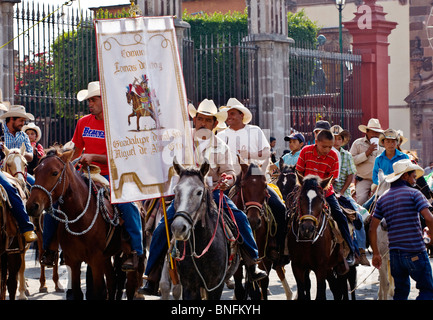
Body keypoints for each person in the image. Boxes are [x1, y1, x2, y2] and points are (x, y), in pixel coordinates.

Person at [139, 99, 266, 295]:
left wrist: (227, 179)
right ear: (194, 120)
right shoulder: (180, 141)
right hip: (185, 195)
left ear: (215, 124)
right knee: (162, 226)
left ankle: (252, 264)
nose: (203, 123)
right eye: (200, 119)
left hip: (212, 194)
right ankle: (152, 275)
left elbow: (230, 172)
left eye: (208, 120)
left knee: (240, 218)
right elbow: (164, 162)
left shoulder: (221, 145)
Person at [41, 81, 143, 270]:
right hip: (83, 174)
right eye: (88, 100)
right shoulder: (83, 122)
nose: (90, 103)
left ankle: (135, 251)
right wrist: (65, 155)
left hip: (110, 174)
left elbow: (121, 156)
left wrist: (94, 156)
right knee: (53, 204)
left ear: (104, 101)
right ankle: (50, 249)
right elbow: (77, 150)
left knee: (127, 204)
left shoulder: (118, 124)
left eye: (94, 99)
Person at [217, 98, 288, 262]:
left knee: (279, 208)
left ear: (241, 115)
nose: (229, 117)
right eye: (227, 114)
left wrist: (248, 155)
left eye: (232, 113)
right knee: (215, 210)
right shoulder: (221, 135)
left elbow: (266, 152)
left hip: (255, 177)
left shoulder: (255, 131)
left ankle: (277, 247)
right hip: (231, 178)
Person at [370, 159, 433, 300]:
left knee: (400, 292)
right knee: (427, 290)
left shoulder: (382, 199)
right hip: (415, 251)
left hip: (395, 256)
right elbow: (429, 218)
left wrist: (375, 253)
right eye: (413, 177)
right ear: (405, 176)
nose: (415, 180)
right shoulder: (414, 194)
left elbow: (372, 228)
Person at [296, 129, 355, 266]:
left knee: (340, 215)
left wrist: (320, 189)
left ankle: (351, 250)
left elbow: (332, 179)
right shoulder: (306, 151)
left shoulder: (334, 156)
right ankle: (283, 250)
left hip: (324, 191)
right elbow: (299, 171)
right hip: (304, 190)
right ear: (316, 142)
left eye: (330, 146)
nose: (327, 149)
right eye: (324, 146)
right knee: (286, 212)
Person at [331, 125, 369, 266]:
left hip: (344, 193)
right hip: (327, 191)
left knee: (357, 217)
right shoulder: (326, 153)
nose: (336, 141)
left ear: (342, 140)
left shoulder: (346, 155)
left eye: (339, 138)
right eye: (334, 138)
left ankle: (361, 250)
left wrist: (340, 192)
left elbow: (350, 175)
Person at [0, 105, 37, 243]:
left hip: (20, 171)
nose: (23, 124)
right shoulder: (2, 130)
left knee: (37, 186)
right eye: (21, 120)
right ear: (11, 119)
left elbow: (31, 156)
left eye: (23, 121)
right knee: (10, 187)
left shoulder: (23, 135)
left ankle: (36, 224)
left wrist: (17, 153)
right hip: (4, 169)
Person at [349, 118, 384, 206]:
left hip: (380, 180)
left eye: (377, 132)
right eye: (373, 132)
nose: (375, 134)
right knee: (361, 200)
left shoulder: (383, 145)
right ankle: (362, 219)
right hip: (364, 180)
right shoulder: (358, 143)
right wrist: (367, 153)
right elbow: (351, 160)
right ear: (367, 132)